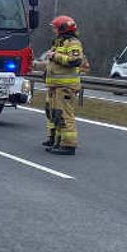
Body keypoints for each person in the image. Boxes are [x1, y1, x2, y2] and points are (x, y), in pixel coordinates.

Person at [41, 14, 88, 156]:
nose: (54, 30)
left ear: (63, 28)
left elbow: (75, 61)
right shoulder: (59, 42)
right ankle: (58, 141)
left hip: (66, 87)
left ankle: (68, 145)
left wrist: (55, 56)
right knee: (57, 115)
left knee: (65, 115)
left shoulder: (73, 43)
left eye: (55, 28)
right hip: (56, 86)